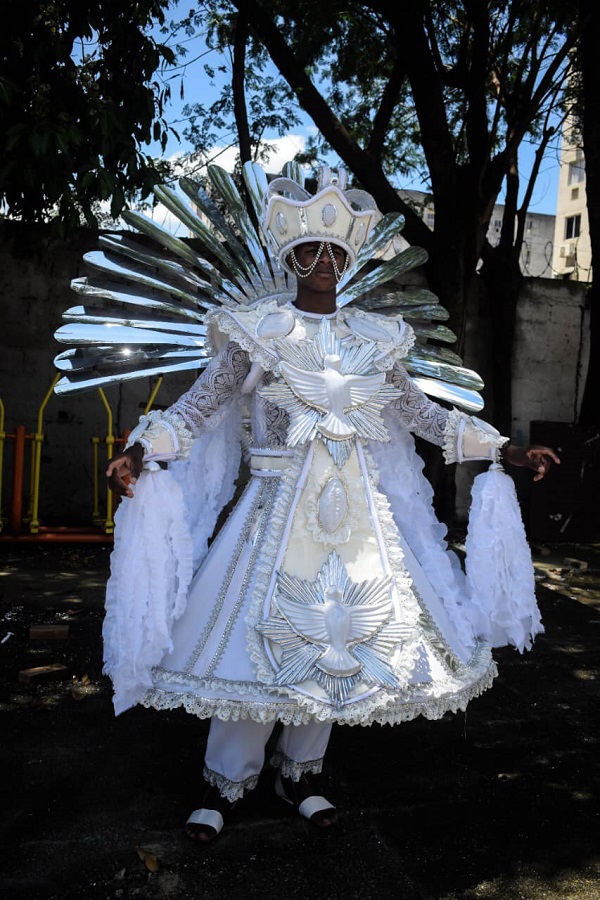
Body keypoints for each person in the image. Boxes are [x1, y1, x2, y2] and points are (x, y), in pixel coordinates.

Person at [105, 167, 559, 843]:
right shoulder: (254, 332)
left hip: (356, 522)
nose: (323, 262)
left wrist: (504, 451)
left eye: (335, 253)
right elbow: (201, 405)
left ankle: (303, 774)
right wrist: (143, 450)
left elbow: (421, 414)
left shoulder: (377, 340)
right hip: (271, 515)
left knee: (338, 644)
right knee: (253, 646)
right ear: (290, 257)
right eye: (310, 252)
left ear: (349, 260)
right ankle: (225, 783)